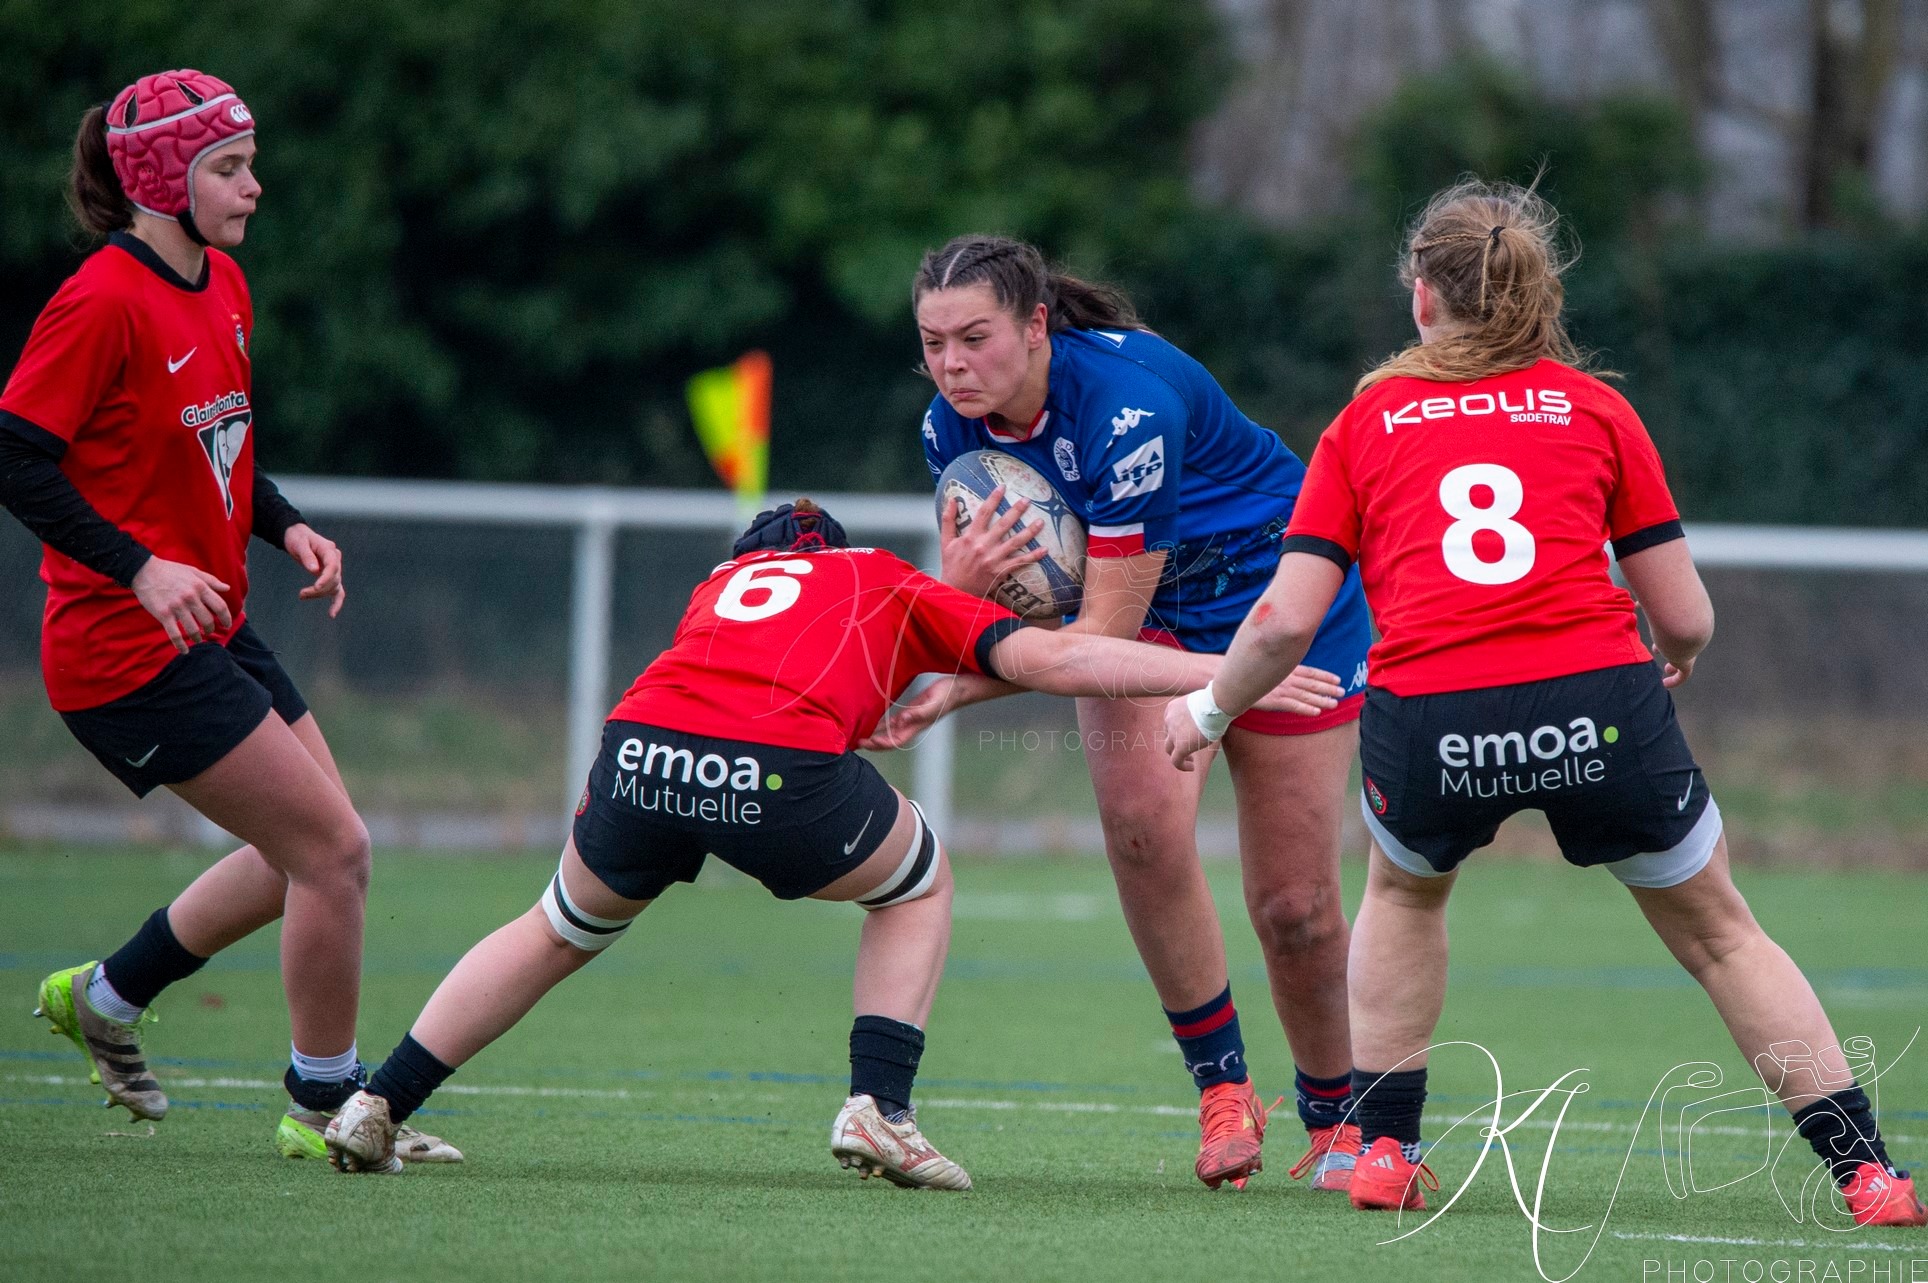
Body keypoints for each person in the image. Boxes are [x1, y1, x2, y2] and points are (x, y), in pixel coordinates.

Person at [1161, 178, 1924, 1228]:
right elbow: (1684, 612)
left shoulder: (1368, 417)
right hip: (1599, 706)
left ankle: (1383, 1153)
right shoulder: (1597, 405)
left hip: (1432, 717)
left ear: (1420, 296)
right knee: (1720, 935)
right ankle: (1867, 1174)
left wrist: (1203, 710)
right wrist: (1680, 656)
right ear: (1536, 294)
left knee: (1402, 896)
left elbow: (1284, 621)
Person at [322, 500, 1345, 1184]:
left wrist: (949, 593)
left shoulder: (715, 592)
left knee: (553, 925)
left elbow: (822, 683)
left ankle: (376, 1101)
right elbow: (1057, 654)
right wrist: (1220, 675)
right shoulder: (881, 577)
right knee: (915, 884)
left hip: (639, 751)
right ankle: (878, 1105)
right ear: (832, 550)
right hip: (767, 768)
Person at [6, 70, 456, 1166]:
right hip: (122, 649)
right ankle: (323, 1106)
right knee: (334, 850)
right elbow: (16, 452)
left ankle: (107, 994)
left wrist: (288, 525)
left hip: (207, 625)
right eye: (228, 166)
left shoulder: (225, 285)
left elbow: (216, 451)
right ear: (162, 178)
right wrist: (139, 570)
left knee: (301, 850)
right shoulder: (103, 298)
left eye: (247, 160)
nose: (253, 184)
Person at [892, 235, 1374, 1191]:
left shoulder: (1128, 413)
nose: (952, 364)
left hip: (1280, 615)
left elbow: (1086, 638)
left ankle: (1337, 1117)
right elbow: (1040, 627)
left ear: (1035, 327)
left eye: (974, 337)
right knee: (1144, 831)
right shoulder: (949, 433)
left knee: (1296, 905)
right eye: (932, 341)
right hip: (1143, 622)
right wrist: (957, 634)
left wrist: (957, 682)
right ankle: (1223, 1090)